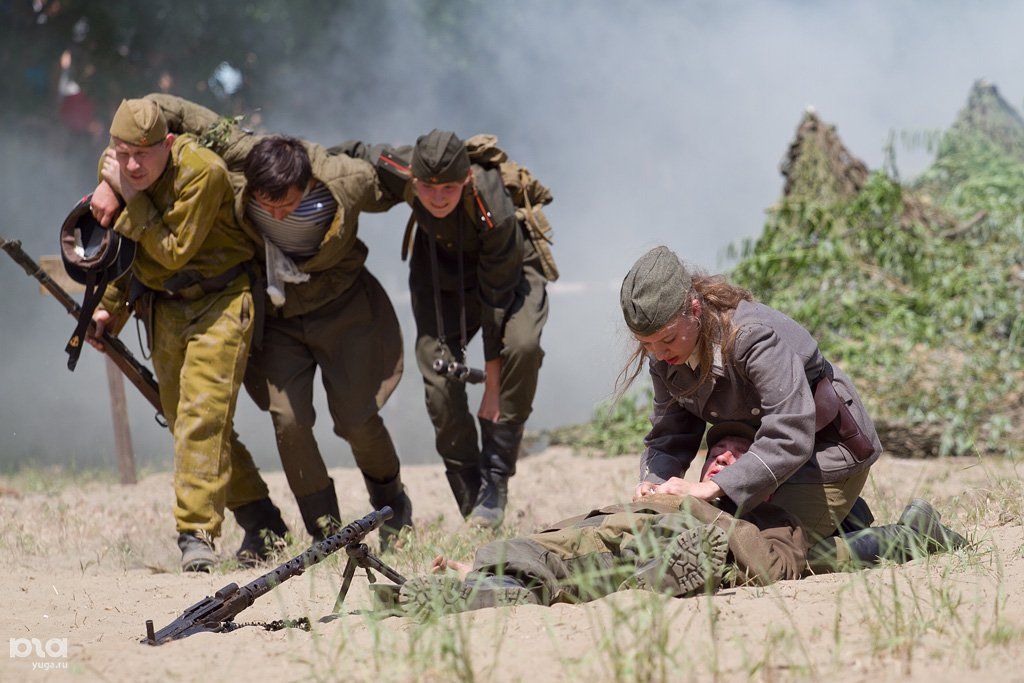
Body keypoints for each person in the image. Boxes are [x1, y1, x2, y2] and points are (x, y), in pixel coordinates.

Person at [92, 94, 413, 546]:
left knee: (357, 419)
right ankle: (328, 532)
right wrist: (117, 179)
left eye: (288, 204)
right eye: (267, 206)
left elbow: (414, 180)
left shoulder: (343, 180)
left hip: (344, 308)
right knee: (288, 420)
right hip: (279, 317)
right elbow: (152, 113)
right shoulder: (236, 176)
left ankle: (392, 502)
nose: (277, 215)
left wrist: (465, 182)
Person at [400, 423, 965, 614]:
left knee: (581, 565)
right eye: (715, 453)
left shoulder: (762, 511)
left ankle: (493, 587)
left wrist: (708, 518)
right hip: (611, 537)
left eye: (736, 456)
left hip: (650, 553)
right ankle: (478, 581)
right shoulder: (671, 495)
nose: (721, 459)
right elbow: (590, 524)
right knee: (556, 542)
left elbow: (781, 561)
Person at [86, 99, 287, 572]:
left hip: (220, 299)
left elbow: (172, 250)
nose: (133, 165)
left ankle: (195, 535)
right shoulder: (113, 167)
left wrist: (124, 195)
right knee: (186, 423)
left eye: (144, 154)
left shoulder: (203, 171)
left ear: (169, 144)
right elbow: (125, 245)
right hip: (164, 307)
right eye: (122, 153)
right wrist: (109, 308)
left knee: (202, 415)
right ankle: (263, 520)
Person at [341, 131, 552, 528]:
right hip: (439, 278)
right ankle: (472, 498)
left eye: (449, 189)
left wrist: (492, 390)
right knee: (439, 387)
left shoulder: (491, 205)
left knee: (521, 347)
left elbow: (497, 306)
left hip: (507, 279)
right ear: (414, 179)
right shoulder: (406, 169)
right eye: (428, 188)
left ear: (466, 181)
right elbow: (358, 151)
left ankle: (495, 480)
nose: (437, 197)